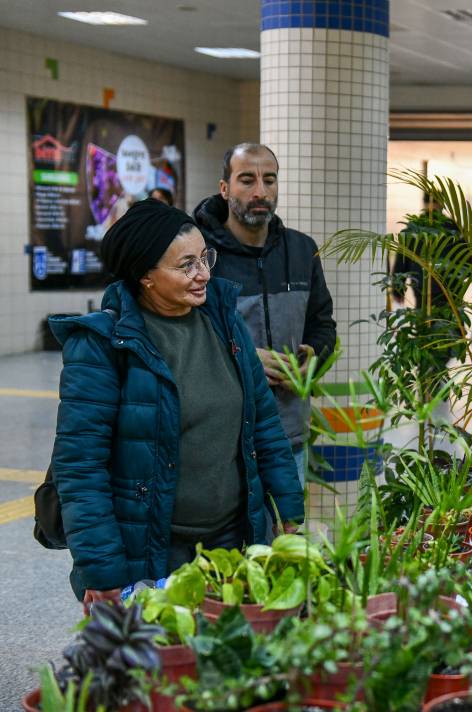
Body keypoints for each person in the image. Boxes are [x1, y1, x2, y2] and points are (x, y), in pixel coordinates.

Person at [49, 199, 304, 612]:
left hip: (232, 541)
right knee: (165, 668)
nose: (203, 273)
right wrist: (101, 570)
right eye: (186, 265)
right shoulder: (102, 345)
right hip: (151, 550)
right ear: (145, 275)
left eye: (205, 258)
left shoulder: (224, 321)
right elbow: (80, 468)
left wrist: (289, 509)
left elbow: (263, 424)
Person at [195, 143, 336, 485]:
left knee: (286, 537)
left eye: (269, 180)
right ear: (225, 188)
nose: (260, 191)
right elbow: (185, 333)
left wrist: (312, 356)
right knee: (229, 540)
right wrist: (242, 357)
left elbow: (323, 325)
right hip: (222, 439)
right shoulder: (199, 254)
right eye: (247, 180)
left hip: (289, 436)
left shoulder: (302, 250)